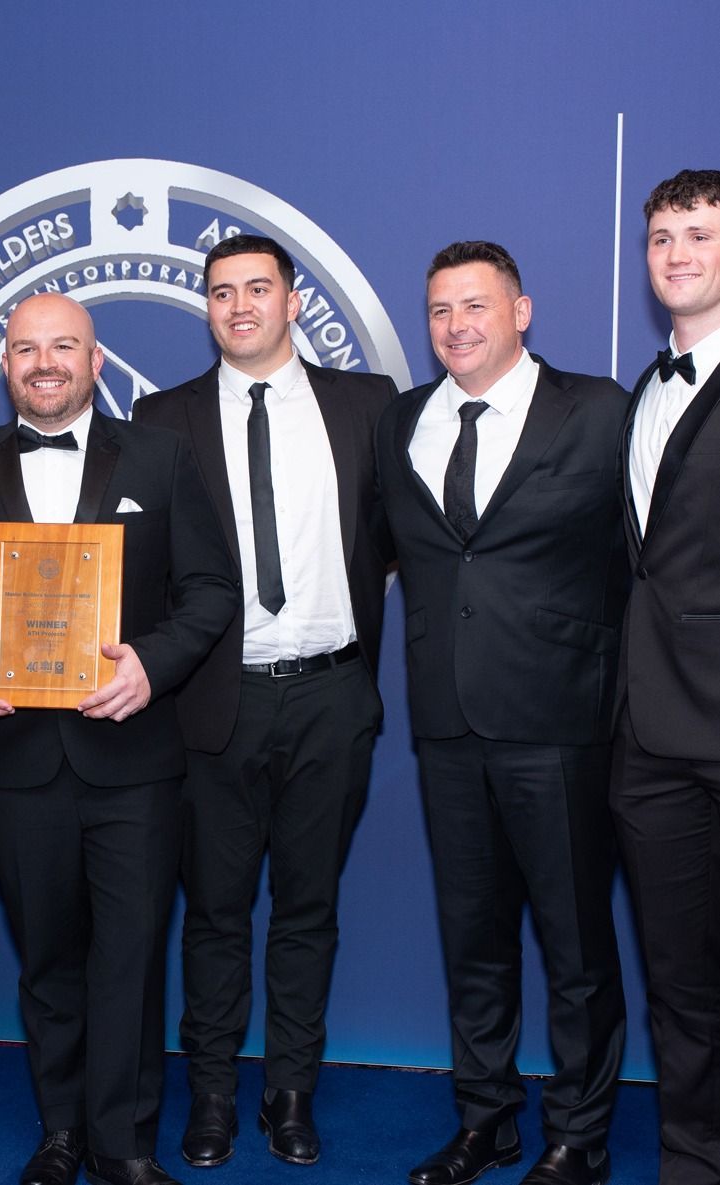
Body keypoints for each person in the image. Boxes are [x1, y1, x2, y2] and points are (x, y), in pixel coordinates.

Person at [0, 292, 237, 1185]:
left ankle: (122, 1145)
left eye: (62, 346)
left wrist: (152, 664)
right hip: (15, 758)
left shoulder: (161, 456)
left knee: (129, 956)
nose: (43, 363)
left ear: (95, 360)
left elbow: (210, 589)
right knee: (48, 959)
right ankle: (60, 1133)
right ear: (5, 364)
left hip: (132, 755)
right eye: (24, 348)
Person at [134, 233, 395, 1168]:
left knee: (306, 909)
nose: (238, 305)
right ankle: (210, 1095)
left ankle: (290, 1093)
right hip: (214, 703)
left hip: (331, 695)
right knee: (212, 913)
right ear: (205, 308)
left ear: (293, 300)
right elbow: (129, 561)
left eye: (256, 288)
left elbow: (408, 533)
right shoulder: (159, 417)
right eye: (220, 292)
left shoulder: (367, 404)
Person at [376, 241, 628, 1185]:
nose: (456, 326)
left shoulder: (596, 409)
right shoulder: (401, 421)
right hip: (446, 723)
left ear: (520, 311)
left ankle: (579, 1134)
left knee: (574, 947)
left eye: (475, 305)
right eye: (439, 309)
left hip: (559, 721)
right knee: (473, 941)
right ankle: (487, 1118)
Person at [612, 168, 720, 1185]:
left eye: (698, 232)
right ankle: (692, 1159)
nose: (676, 253)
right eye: (660, 238)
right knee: (680, 977)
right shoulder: (644, 391)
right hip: (648, 739)